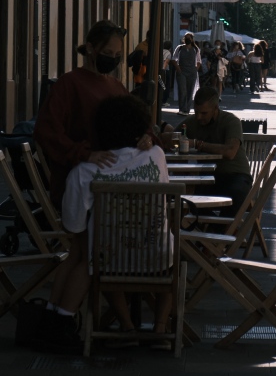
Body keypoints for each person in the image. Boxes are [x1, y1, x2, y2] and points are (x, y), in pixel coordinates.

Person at [24, 94, 169, 354]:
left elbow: (74, 225)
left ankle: (124, 327)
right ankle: (160, 330)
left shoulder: (85, 171)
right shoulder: (156, 155)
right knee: (173, 254)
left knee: (93, 253)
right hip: (156, 257)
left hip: (109, 262)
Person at [34, 21, 146, 206]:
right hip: (81, 187)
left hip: (117, 183)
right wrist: (83, 154)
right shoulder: (68, 84)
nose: (112, 59)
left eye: (117, 55)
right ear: (90, 48)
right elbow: (46, 130)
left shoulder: (116, 86)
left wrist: (146, 136)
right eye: (108, 53)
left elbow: (137, 122)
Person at [162, 89, 252, 212]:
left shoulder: (230, 121)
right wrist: (167, 136)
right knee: (179, 195)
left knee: (235, 194)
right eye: (196, 112)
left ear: (215, 109)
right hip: (208, 177)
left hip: (235, 175)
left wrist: (198, 144)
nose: (199, 117)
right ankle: (211, 226)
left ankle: (224, 229)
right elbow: (172, 137)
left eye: (204, 113)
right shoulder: (192, 122)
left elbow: (230, 152)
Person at [171, 33, 199, 115]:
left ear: (192, 39)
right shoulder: (179, 48)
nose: (187, 39)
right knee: (182, 90)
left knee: (190, 90)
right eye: (186, 37)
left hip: (192, 72)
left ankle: (187, 109)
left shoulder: (195, 49)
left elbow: (199, 61)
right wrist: (178, 68)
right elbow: (173, 59)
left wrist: (195, 69)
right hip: (182, 71)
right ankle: (182, 108)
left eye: (189, 38)